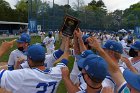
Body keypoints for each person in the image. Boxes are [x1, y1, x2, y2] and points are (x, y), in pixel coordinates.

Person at [0, 42, 70, 93]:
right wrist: (67, 43)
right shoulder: (57, 73)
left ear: (29, 60)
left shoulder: (23, 76)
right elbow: (64, 61)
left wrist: (2, 50)